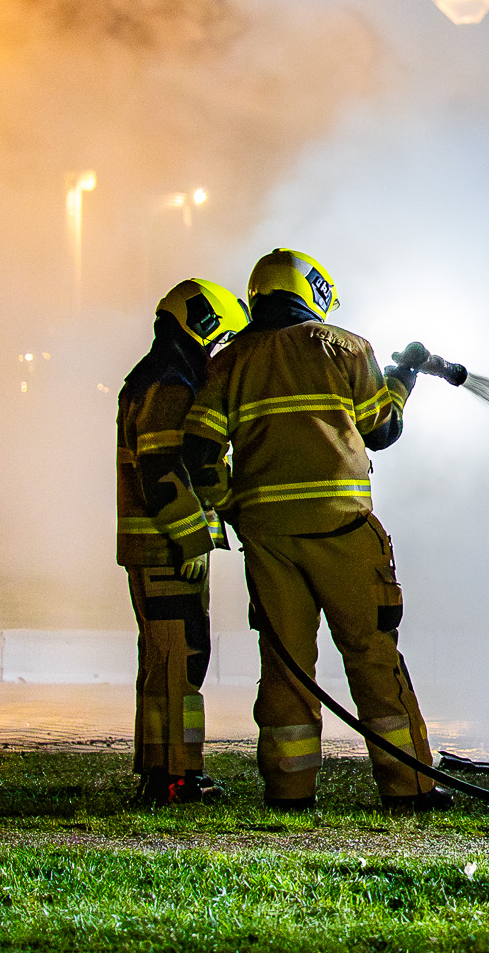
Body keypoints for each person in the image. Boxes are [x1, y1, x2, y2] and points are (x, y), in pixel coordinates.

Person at [182, 248, 448, 810]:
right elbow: (382, 431)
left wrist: (234, 506)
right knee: (372, 658)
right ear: (313, 292)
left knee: (285, 668)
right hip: (343, 534)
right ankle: (409, 788)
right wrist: (402, 377)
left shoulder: (228, 363)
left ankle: (289, 790)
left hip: (269, 544)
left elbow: (200, 452)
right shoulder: (346, 348)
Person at [117, 278, 248, 805]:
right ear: (204, 326)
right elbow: (162, 467)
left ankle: (160, 772)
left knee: (162, 662)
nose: (221, 353)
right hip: (169, 548)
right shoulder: (172, 384)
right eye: (223, 340)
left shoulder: (153, 376)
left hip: (156, 548)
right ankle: (177, 777)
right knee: (180, 662)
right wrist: (193, 537)